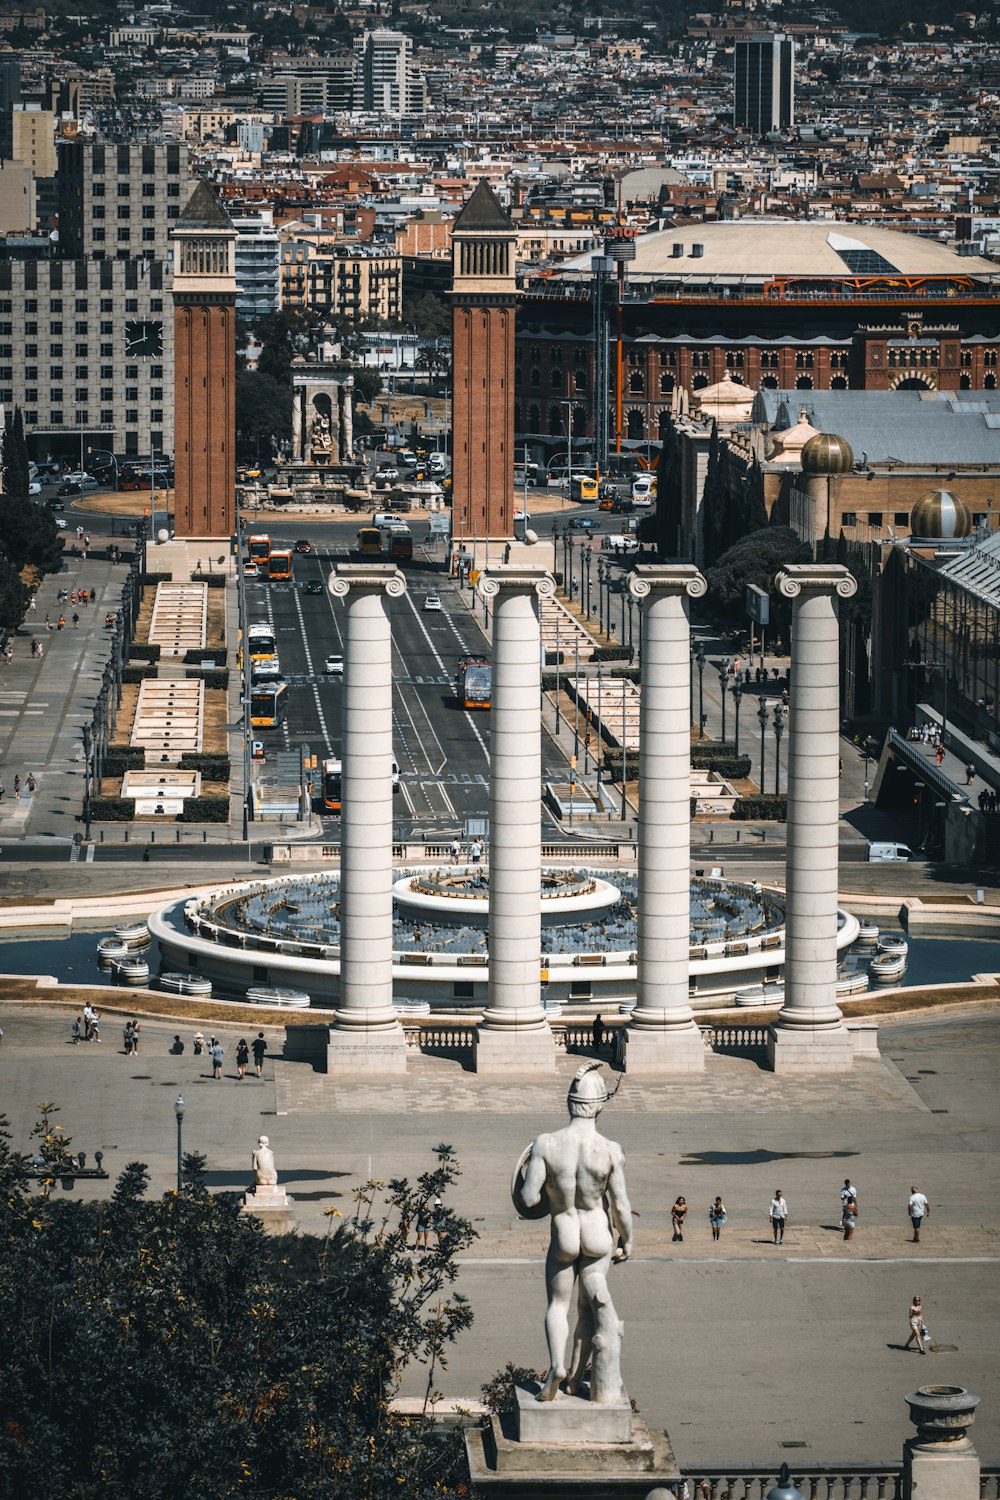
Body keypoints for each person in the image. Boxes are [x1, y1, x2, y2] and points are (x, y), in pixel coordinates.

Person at [515, 1063, 633, 1403]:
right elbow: (622, 1205)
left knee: (557, 1304)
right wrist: (629, 1240)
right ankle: (576, 1377)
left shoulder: (546, 1144)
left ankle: (556, 1366)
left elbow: (528, 1198)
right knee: (587, 1310)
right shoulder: (610, 1149)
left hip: (564, 1233)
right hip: (598, 1234)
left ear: (570, 1104)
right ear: (598, 1106)